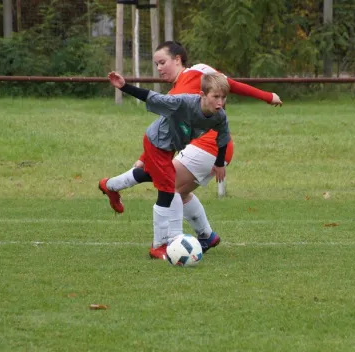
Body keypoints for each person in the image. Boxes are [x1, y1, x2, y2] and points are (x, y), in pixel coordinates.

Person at [100, 41, 282, 254]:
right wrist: (144, 156)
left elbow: (230, 84)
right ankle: (205, 236)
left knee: (170, 187)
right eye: (156, 64)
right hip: (197, 147)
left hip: (208, 147)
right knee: (171, 184)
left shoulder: (198, 73)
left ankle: (170, 243)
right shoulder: (176, 94)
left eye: (162, 62)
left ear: (177, 59)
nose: (158, 68)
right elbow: (164, 129)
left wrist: (267, 96)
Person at [103, 70, 231, 260]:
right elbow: (153, 97)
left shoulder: (219, 116)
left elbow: (223, 138)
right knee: (168, 189)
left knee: (154, 175)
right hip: (156, 142)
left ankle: (110, 185)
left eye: (223, 97)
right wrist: (124, 86)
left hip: (169, 148)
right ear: (203, 95)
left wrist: (220, 163)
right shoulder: (184, 102)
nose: (220, 102)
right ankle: (160, 245)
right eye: (215, 97)